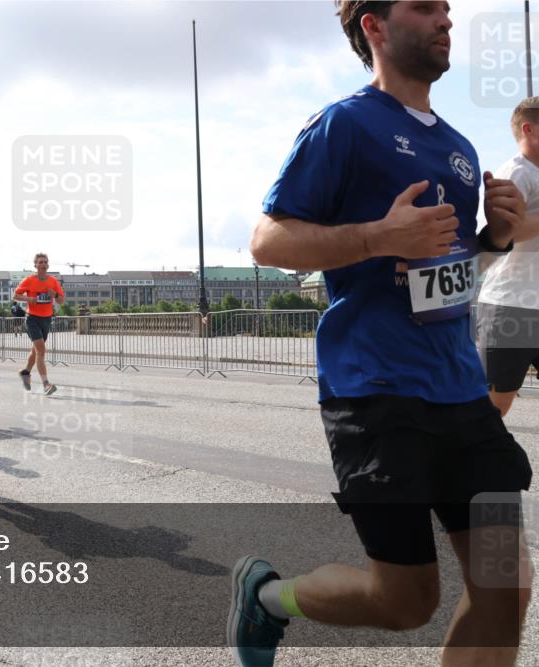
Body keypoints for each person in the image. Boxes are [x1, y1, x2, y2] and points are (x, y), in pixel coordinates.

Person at [230, 3, 533, 667]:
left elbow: (447, 279)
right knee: (405, 600)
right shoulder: (345, 125)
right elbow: (265, 239)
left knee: (507, 584)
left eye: (447, 9)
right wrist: (374, 236)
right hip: (377, 391)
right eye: (425, 7)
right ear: (373, 27)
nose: (445, 19)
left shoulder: (459, 147)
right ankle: (269, 597)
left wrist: (494, 239)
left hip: (460, 389)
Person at [476, 97, 539, 418]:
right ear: (529, 129)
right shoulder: (516, 173)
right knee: (495, 406)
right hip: (511, 307)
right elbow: (502, 234)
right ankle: (467, 466)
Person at [13, 252, 65, 395]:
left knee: (36, 351)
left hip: (46, 319)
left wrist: (54, 294)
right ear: (35, 265)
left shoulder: (53, 281)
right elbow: (15, 295)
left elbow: (61, 300)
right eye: (40, 262)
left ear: (48, 265)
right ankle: (46, 384)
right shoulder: (29, 280)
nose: (43, 264)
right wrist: (29, 299)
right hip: (32, 319)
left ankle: (25, 372)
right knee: (41, 350)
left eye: (45, 262)